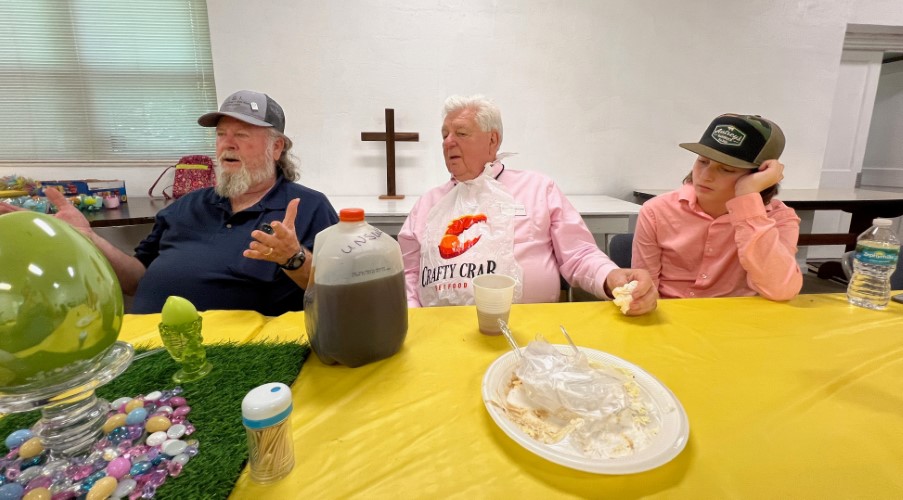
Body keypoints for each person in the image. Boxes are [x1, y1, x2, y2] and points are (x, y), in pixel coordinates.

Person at [1, 90, 338, 315]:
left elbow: (336, 292)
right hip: (147, 344)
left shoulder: (306, 207)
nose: (227, 144)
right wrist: (88, 238)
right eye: (221, 135)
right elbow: (135, 281)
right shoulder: (185, 206)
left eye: (242, 135)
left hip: (236, 352)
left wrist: (293, 258)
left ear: (276, 148)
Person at [397, 95, 657, 315]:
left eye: (461, 133)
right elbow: (409, 275)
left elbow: (578, 254)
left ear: (492, 140)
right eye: (444, 135)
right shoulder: (428, 204)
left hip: (530, 329)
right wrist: (415, 319)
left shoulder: (538, 189)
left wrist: (611, 277)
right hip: (442, 330)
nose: (448, 142)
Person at [632, 113, 802, 301]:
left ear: (759, 176)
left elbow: (781, 290)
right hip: (670, 312)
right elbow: (646, 288)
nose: (706, 175)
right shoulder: (657, 210)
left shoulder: (779, 218)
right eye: (703, 161)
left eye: (727, 169)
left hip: (735, 315)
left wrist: (748, 197)